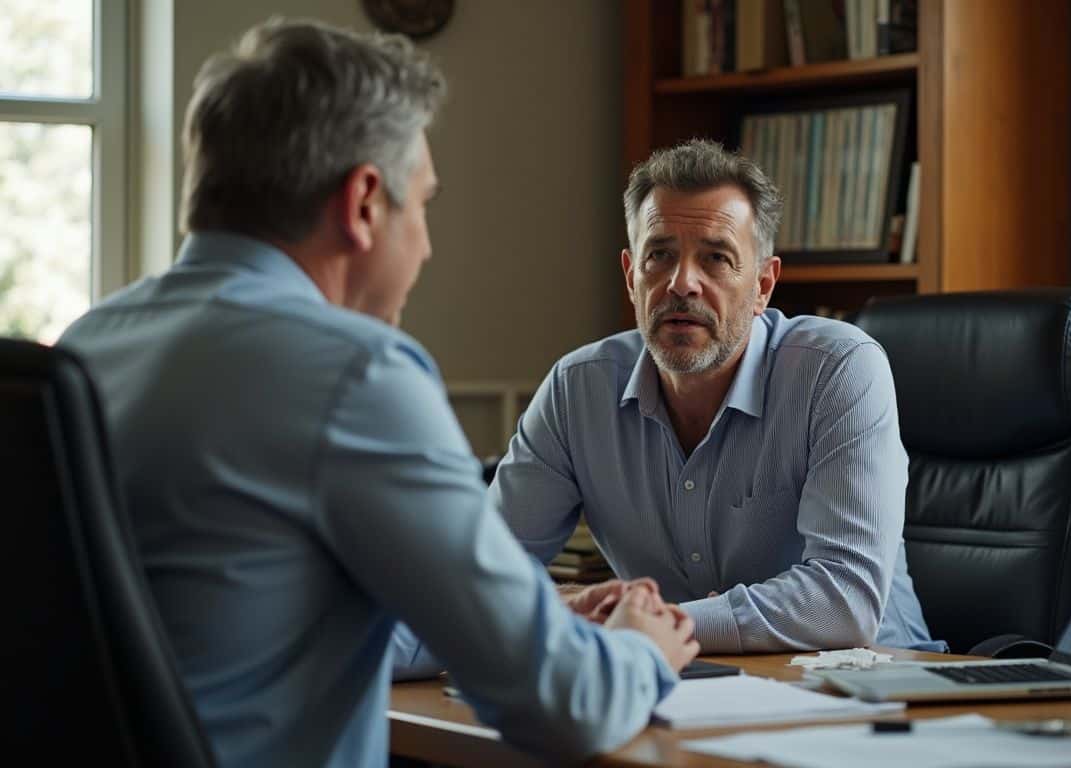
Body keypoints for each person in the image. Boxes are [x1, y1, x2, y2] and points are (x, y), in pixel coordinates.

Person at [58, 18, 697, 768]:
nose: (424, 243)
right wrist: (638, 649)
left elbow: (244, 618)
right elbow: (562, 705)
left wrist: (530, 618)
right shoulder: (354, 373)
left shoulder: (88, 344)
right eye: (421, 205)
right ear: (364, 202)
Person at [394, 139, 943, 678]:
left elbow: (844, 599)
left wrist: (656, 627)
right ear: (632, 274)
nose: (681, 283)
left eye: (716, 258)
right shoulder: (577, 388)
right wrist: (570, 614)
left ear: (763, 285)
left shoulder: (838, 369)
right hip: (688, 690)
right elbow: (480, 576)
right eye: (660, 255)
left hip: (875, 695)